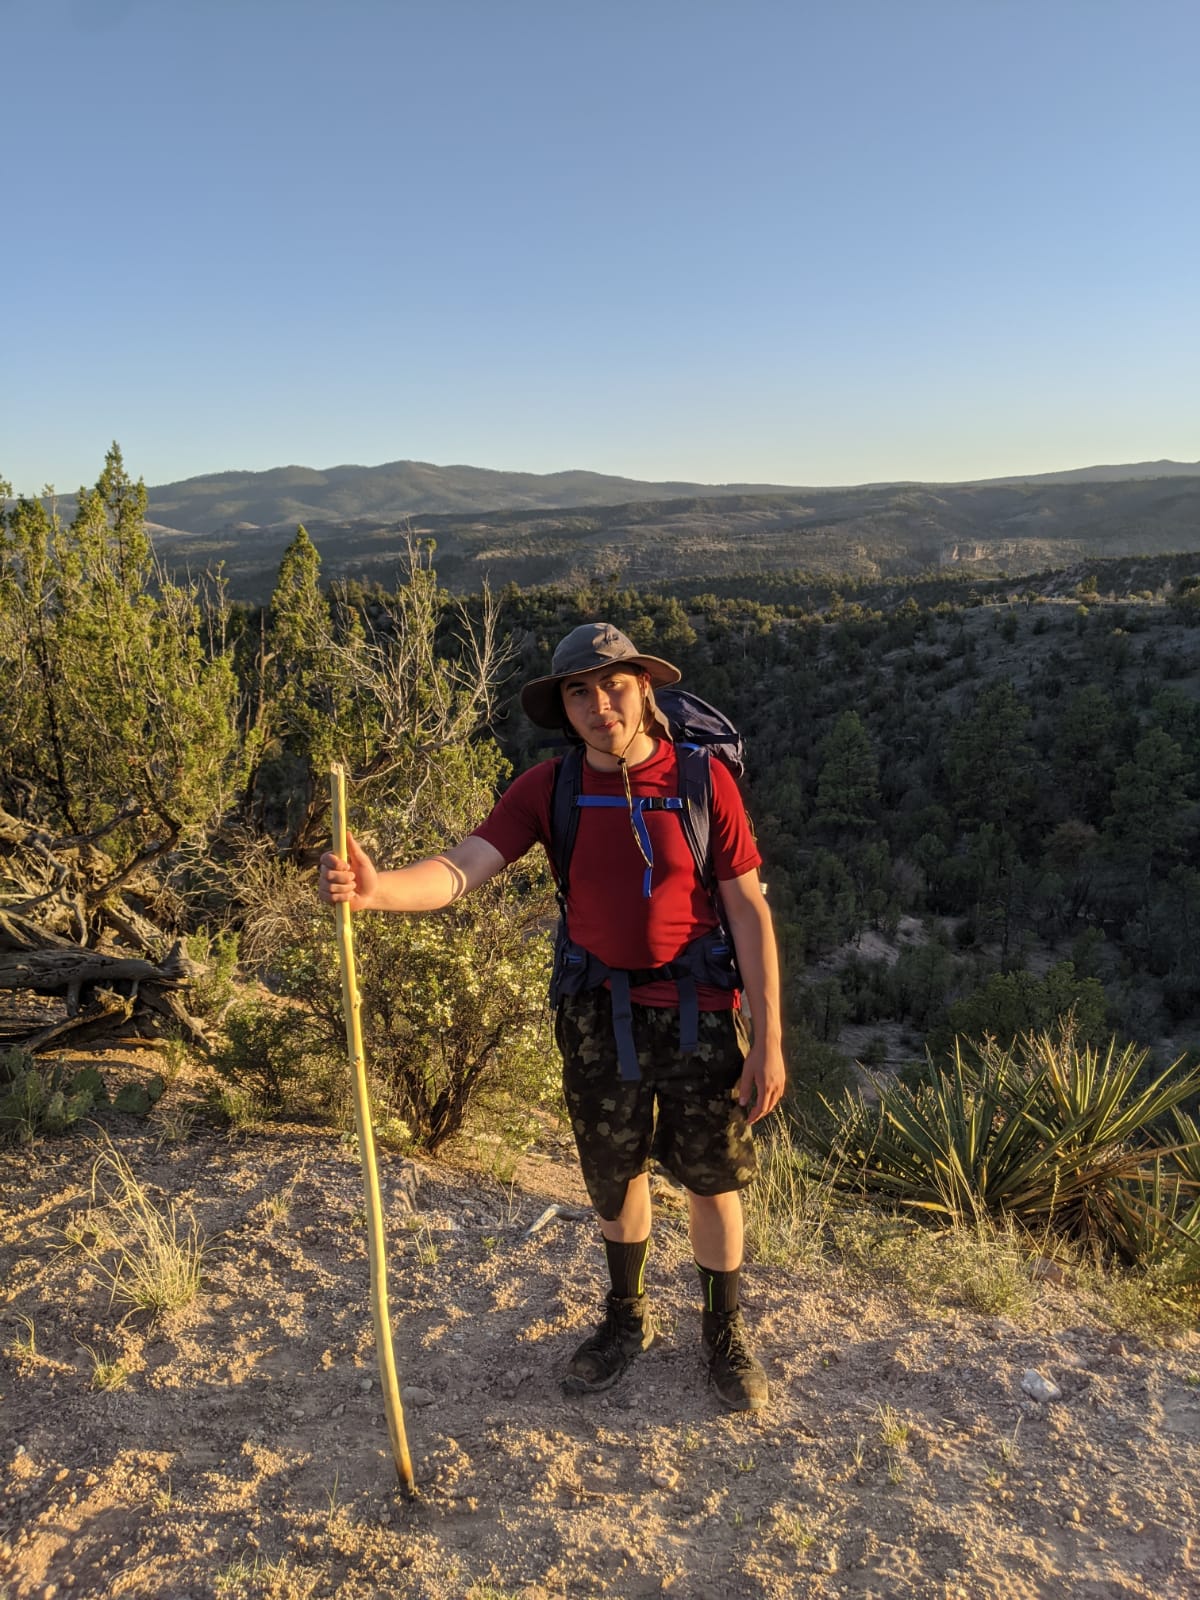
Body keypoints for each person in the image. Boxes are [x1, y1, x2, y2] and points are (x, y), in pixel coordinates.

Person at [319, 621, 786, 1411]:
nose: (600, 703)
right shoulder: (551, 789)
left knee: (711, 1180)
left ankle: (722, 1332)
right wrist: (377, 891)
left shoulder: (705, 783)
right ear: (563, 707)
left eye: (613, 685)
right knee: (616, 1176)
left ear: (645, 689)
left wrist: (769, 1043)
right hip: (596, 1015)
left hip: (697, 1012)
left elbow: (748, 913)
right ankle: (625, 1320)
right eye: (580, 691)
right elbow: (463, 869)